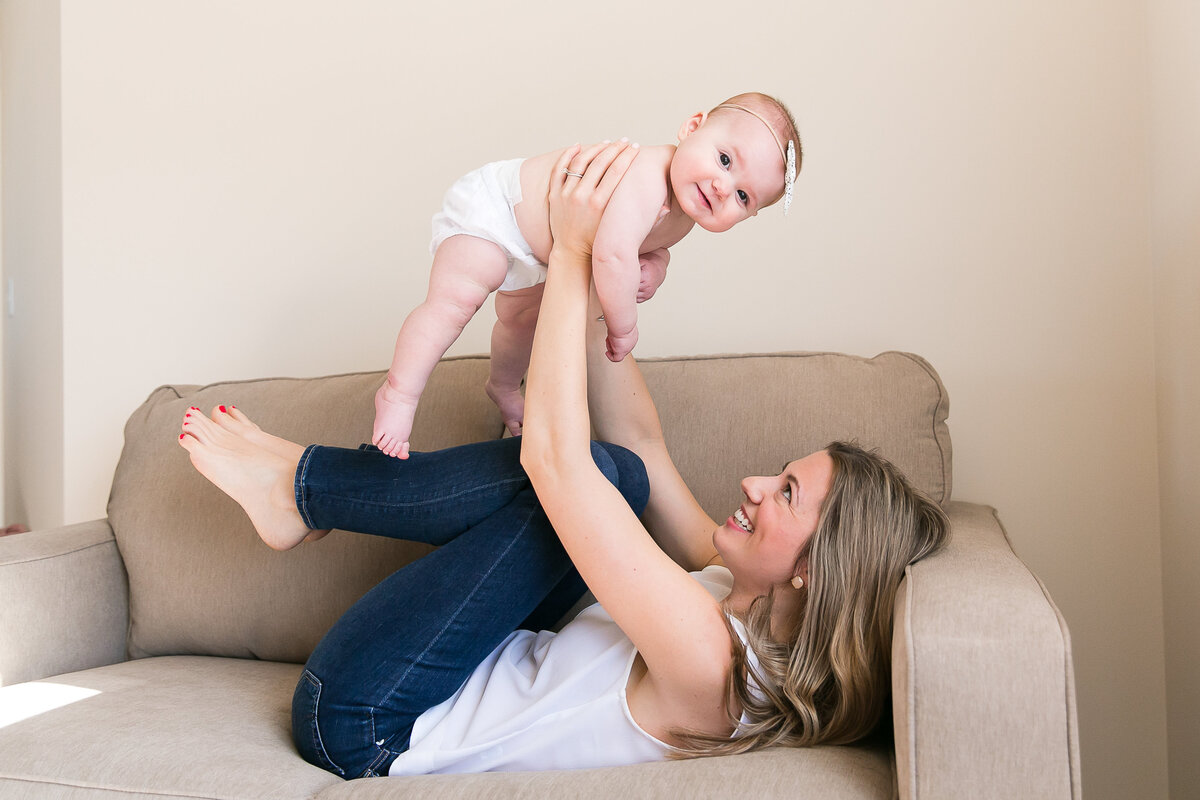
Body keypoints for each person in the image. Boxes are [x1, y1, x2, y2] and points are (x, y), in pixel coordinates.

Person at [178, 141, 948, 779]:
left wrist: (578, 255)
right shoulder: (725, 587)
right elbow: (639, 442)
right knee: (624, 472)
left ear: (816, 567)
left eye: (784, 493)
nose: (751, 484)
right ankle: (304, 492)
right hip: (455, 665)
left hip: (370, 716)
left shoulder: (717, 667)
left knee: (591, 479)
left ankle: (304, 487)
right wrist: (603, 266)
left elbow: (556, 462)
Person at [372, 92, 802, 458]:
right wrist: (624, 329)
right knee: (456, 302)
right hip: (499, 210)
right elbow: (613, 256)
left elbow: (645, 246)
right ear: (692, 128)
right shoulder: (649, 175)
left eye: (744, 196)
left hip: (543, 255)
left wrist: (657, 266)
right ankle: (399, 393)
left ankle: (502, 386)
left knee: (521, 324)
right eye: (725, 159)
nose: (723, 188)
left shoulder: (685, 214)